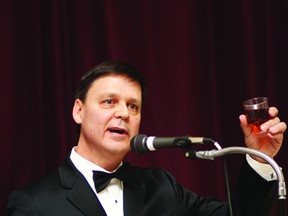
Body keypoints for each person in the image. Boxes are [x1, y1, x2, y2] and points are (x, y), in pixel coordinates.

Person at [7, 61, 287, 216]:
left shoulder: (162, 186)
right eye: (108, 101)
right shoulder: (33, 204)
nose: (123, 114)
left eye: (133, 106)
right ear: (78, 111)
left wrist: (259, 157)